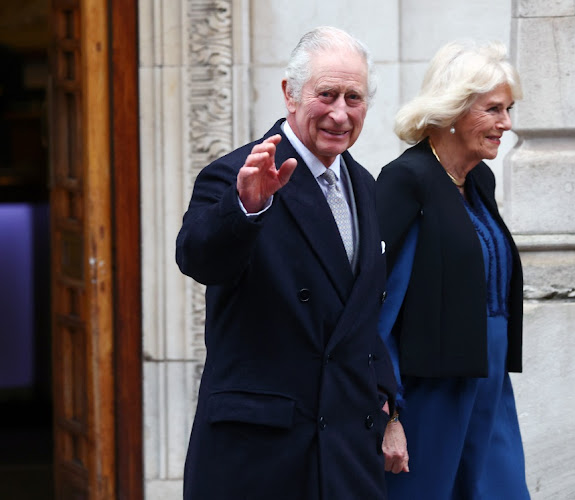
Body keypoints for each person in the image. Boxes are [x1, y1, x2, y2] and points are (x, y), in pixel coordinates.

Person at [176, 26, 397, 500]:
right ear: (290, 95)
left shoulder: (365, 186)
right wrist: (245, 209)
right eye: (327, 94)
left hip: (345, 452)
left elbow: (360, 320)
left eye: (354, 98)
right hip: (261, 454)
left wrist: (390, 410)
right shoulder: (239, 173)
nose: (340, 113)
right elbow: (197, 258)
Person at [376, 40, 530, 499]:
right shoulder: (407, 180)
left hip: (490, 384)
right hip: (432, 396)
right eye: (493, 110)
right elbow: (381, 308)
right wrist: (390, 413)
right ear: (455, 109)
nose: (506, 123)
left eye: (509, 109)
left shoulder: (479, 180)